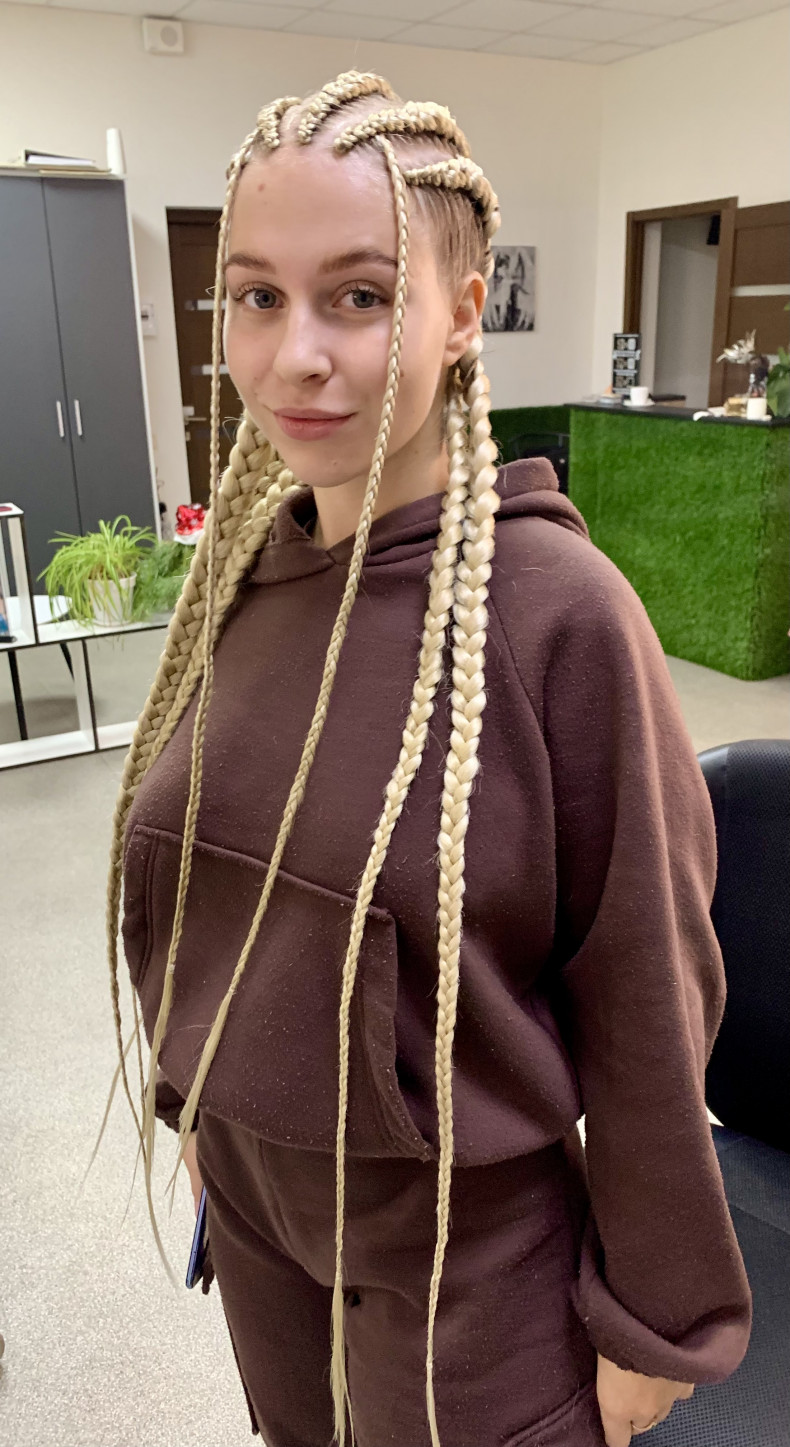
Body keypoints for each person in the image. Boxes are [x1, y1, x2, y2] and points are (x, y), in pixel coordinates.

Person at [107, 69, 752, 1447]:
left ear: (462, 314)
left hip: (464, 1262)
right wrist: (209, 1112)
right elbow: (212, 886)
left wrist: (661, 1312)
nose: (296, 355)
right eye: (257, 296)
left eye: (358, 295)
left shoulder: (555, 620)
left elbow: (647, 983)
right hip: (263, 1221)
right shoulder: (244, 580)